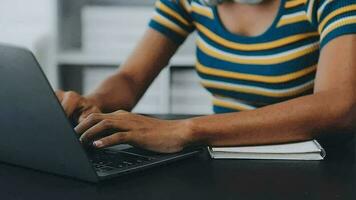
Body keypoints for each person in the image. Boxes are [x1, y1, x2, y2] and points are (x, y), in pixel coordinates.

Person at [56, 0, 356, 153]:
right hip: (220, 155)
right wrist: (93, 103)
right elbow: (131, 77)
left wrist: (186, 131)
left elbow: (340, 105)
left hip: (318, 165)